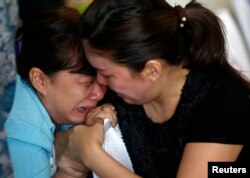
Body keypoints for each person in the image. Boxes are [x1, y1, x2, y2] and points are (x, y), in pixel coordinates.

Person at [56, 0, 250, 178]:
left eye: (106, 74)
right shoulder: (119, 94)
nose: (99, 83)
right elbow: (59, 145)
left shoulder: (221, 103)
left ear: (152, 71)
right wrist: (75, 139)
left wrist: (91, 154)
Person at [4, 6, 116, 178]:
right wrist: (75, 162)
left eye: (102, 82)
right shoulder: (25, 137)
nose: (99, 94)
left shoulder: (46, 101)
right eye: (86, 83)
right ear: (40, 80)